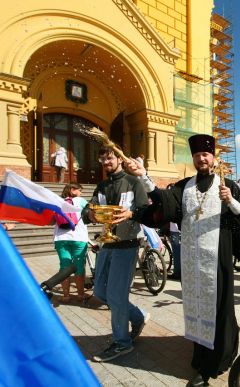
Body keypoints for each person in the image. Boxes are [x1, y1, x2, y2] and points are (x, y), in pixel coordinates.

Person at [127, 134, 240, 385]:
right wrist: (143, 176)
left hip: (218, 258)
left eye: (205, 154)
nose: (201, 158)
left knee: (218, 309)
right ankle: (201, 355)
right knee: (196, 307)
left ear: (213, 158)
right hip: (193, 261)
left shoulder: (228, 185)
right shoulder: (185, 186)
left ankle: (215, 362)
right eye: (196, 155)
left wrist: (231, 201)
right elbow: (165, 204)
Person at [81, 146, 150, 363]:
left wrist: (132, 213)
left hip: (127, 244)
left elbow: (146, 209)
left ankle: (122, 343)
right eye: (102, 159)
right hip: (107, 244)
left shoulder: (133, 182)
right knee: (101, 291)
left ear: (118, 159)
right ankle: (138, 317)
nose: (105, 162)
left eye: (109, 158)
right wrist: (89, 213)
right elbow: (88, 209)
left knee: (117, 296)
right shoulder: (102, 185)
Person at [53, 183, 89, 303]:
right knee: (79, 267)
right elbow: (91, 213)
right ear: (73, 190)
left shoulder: (59, 201)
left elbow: (52, 220)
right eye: (80, 190)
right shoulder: (80, 200)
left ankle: (66, 296)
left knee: (64, 267)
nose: (81, 193)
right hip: (79, 238)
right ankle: (80, 295)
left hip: (61, 238)